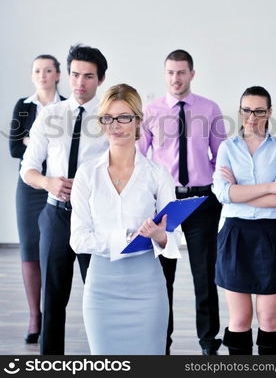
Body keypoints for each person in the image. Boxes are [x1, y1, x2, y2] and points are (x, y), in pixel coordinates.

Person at [70, 83, 182, 355]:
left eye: (123, 117)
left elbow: (174, 237)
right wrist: (127, 238)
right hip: (101, 291)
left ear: (138, 121)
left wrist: (159, 235)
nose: (115, 125)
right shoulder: (87, 174)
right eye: (108, 118)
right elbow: (78, 239)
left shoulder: (157, 174)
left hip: (148, 289)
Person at [20, 44, 108, 355]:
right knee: (53, 299)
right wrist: (48, 182)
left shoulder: (109, 120)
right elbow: (27, 169)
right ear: (67, 76)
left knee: (97, 295)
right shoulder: (50, 116)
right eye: (74, 75)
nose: (80, 82)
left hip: (93, 219)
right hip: (55, 215)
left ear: (100, 80)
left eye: (88, 76)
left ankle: (106, 356)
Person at [138, 49, 226, 355]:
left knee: (205, 275)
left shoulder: (210, 109)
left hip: (202, 201)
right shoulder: (150, 111)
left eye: (181, 72)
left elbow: (221, 156)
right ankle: (162, 344)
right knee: (164, 278)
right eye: (170, 73)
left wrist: (215, 187)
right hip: (166, 202)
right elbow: (140, 159)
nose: (176, 78)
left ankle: (208, 342)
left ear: (192, 74)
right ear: (165, 75)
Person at [212, 86, 276, 355]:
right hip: (235, 235)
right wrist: (270, 185)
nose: (252, 117)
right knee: (239, 320)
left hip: (268, 235)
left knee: (269, 320)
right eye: (246, 110)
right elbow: (223, 194)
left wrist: (240, 191)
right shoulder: (227, 147)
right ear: (240, 112)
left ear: (269, 113)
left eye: (259, 111)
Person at [9, 54, 65, 344]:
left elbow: (68, 147)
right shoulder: (24, 106)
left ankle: (53, 312)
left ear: (57, 74)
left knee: (53, 251)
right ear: (32, 76)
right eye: (37, 71)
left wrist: (34, 140)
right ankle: (35, 316)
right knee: (30, 249)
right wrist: (37, 140)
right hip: (29, 187)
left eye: (48, 70)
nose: (42, 75)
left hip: (58, 186)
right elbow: (14, 148)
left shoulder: (67, 106)